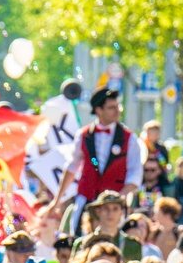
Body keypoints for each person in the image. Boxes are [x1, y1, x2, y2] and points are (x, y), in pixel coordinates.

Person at [55, 88, 144, 229]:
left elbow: (135, 173)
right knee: (78, 236)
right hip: (87, 200)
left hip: (115, 207)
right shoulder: (84, 135)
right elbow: (72, 167)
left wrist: (119, 197)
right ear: (98, 110)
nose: (117, 111)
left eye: (117, 106)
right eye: (111, 107)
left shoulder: (129, 138)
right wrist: (57, 200)